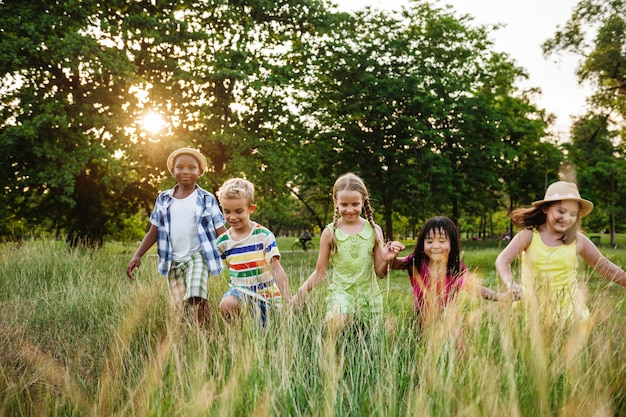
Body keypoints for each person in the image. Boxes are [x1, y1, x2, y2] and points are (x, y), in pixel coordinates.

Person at [495, 180, 626, 324]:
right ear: (546, 208)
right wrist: (510, 282)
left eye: (573, 214)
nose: (567, 218)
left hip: (570, 312)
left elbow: (606, 267)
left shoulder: (578, 240)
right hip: (532, 310)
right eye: (561, 211)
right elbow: (502, 260)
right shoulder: (529, 236)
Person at [290, 173, 405, 332]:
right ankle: (329, 351)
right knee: (338, 322)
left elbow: (380, 273)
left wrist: (386, 259)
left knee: (366, 345)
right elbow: (320, 272)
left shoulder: (373, 230)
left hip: (368, 298)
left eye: (355, 204)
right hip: (341, 294)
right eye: (344, 204)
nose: (349, 209)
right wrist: (300, 295)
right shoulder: (330, 232)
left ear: (363, 202)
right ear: (335, 202)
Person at [126, 147, 227, 327]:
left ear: (200, 172)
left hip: (199, 256)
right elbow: (153, 232)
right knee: (179, 308)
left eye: (191, 167)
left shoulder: (207, 199)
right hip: (172, 260)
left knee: (196, 294)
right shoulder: (163, 199)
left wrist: (234, 253)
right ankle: (187, 336)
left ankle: (204, 335)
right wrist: (137, 255)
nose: (185, 171)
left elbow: (221, 230)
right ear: (173, 171)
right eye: (180, 167)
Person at [390, 216, 511, 326]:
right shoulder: (416, 262)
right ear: (422, 244)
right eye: (429, 241)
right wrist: (392, 252)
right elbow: (393, 264)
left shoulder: (456, 269)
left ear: (452, 243)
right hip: (420, 326)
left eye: (442, 241)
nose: (435, 246)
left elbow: (475, 289)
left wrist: (501, 296)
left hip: (448, 327)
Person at [216, 178, 292, 326]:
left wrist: (289, 299)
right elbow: (215, 268)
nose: (232, 217)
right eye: (227, 211)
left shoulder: (264, 235)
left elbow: (276, 269)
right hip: (239, 293)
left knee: (264, 339)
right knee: (227, 304)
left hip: (266, 298)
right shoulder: (222, 242)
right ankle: (234, 340)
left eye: (239, 211)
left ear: (251, 209)